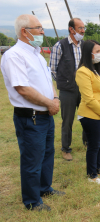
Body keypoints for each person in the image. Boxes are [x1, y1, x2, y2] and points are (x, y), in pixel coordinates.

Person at [1, 14, 65, 211]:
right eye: (38, 28)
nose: (42, 32)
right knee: (32, 159)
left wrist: (54, 99)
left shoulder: (36, 53)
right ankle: (32, 201)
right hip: (31, 117)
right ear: (24, 32)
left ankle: (44, 188)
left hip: (46, 113)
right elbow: (23, 88)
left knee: (47, 154)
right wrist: (49, 103)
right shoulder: (14, 55)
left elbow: (47, 81)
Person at [75, 40, 100, 185]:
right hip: (91, 114)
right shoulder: (82, 72)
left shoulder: (97, 71)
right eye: (97, 52)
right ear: (88, 53)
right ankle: (92, 175)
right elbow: (89, 98)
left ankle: (99, 169)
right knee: (93, 145)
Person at [50, 18, 86, 161]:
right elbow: (53, 70)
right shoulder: (60, 46)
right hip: (67, 90)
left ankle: (88, 142)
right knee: (67, 120)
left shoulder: (85, 46)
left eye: (84, 28)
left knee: (87, 117)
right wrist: (64, 81)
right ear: (71, 29)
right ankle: (66, 149)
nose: (83, 31)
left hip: (83, 89)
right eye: (80, 28)